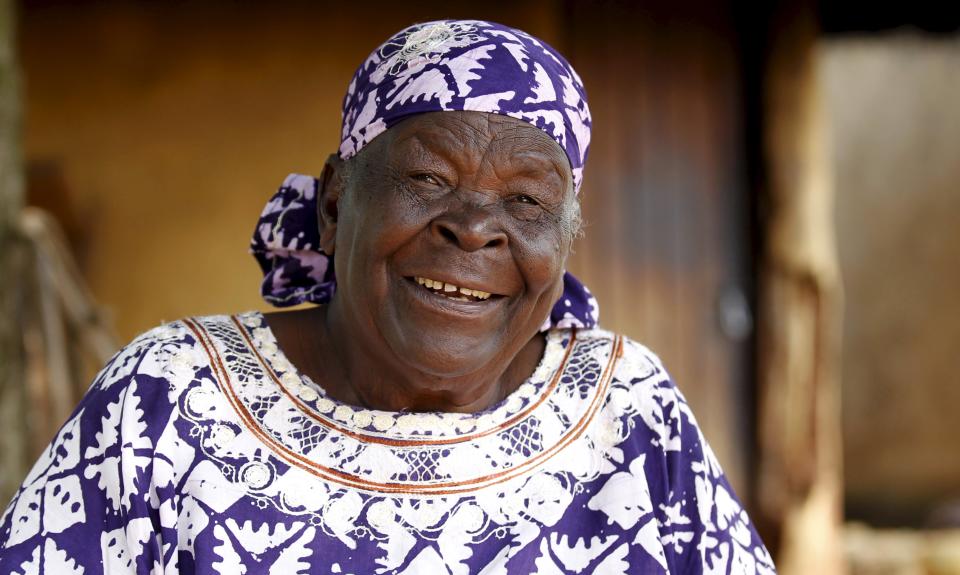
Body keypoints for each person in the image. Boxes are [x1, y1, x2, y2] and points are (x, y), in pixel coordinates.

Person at [0, 19, 775, 574]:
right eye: (428, 180)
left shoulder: (630, 411)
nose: (474, 230)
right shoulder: (167, 399)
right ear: (336, 203)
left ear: (564, 238)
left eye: (528, 203)